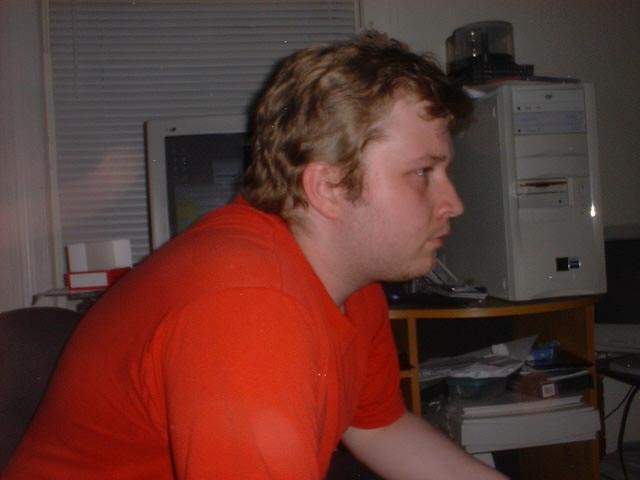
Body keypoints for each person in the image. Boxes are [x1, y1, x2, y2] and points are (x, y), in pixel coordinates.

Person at [2, 31, 506, 479]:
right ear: (328, 188)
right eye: (422, 172)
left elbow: (381, 428)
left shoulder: (346, 280)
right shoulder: (248, 308)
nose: (453, 202)